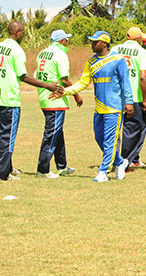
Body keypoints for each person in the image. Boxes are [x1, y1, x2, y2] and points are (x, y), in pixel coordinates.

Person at [0, 21, 61, 181]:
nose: (24, 36)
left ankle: (7, 167)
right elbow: (23, 76)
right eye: (23, 33)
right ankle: (4, 174)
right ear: (18, 33)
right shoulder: (17, 50)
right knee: (8, 137)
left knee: (1, 136)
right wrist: (47, 86)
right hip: (10, 99)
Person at [56, 30, 134, 182]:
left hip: (114, 108)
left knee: (110, 141)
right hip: (99, 108)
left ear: (104, 43)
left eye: (95, 41)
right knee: (99, 138)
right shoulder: (91, 62)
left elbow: (125, 82)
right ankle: (119, 162)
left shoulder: (118, 59)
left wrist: (129, 102)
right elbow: (83, 82)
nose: (92, 44)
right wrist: (65, 92)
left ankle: (103, 172)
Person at [34, 29, 83, 178]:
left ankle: (62, 165)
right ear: (61, 40)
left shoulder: (43, 52)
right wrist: (76, 94)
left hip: (43, 97)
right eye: (66, 39)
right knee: (52, 133)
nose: (67, 42)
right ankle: (43, 169)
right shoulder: (60, 54)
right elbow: (64, 80)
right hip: (55, 99)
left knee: (58, 132)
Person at [111, 26, 146, 168]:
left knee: (115, 129)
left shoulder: (115, 50)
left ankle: (114, 159)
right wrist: (143, 99)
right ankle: (125, 162)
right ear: (138, 39)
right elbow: (143, 76)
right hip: (134, 96)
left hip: (115, 95)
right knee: (132, 129)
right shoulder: (141, 52)